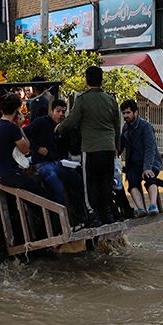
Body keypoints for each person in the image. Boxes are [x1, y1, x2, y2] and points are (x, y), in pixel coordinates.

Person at [57, 66, 122, 225]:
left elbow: (72, 121)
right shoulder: (111, 100)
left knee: (89, 183)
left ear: (86, 80)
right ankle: (107, 213)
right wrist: (117, 147)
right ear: (102, 80)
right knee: (106, 181)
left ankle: (93, 214)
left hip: (91, 149)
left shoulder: (83, 100)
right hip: (108, 149)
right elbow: (117, 126)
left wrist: (58, 128)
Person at [26, 100, 86, 222]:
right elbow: (24, 135)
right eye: (58, 111)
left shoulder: (64, 127)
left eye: (63, 112)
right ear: (51, 111)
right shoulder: (41, 122)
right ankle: (60, 221)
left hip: (59, 162)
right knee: (57, 186)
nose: (60, 115)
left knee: (77, 179)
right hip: (42, 163)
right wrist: (36, 148)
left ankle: (81, 216)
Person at [0, 93, 45, 196]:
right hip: (12, 175)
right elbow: (26, 149)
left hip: (1, 174)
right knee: (42, 191)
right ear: (17, 110)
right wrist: (19, 127)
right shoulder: (11, 127)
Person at [120, 100, 163, 217]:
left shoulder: (146, 127)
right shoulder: (126, 128)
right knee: (132, 182)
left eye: (128, 113)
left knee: (150, 179)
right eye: (124, 113)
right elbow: (120, 146)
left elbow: (150, 148)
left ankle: (153, 205)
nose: (125, 116)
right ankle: (141, 209)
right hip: (134, 164)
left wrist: (147, 168)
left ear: (135, 112)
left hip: (151, 163)